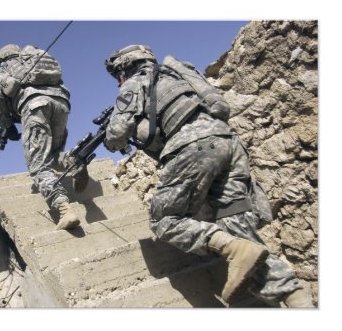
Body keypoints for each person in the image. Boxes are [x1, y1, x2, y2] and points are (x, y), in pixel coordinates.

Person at [103, 44, 314, 307]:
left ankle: (230, 249)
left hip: (196, 147)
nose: (118, 82)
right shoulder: (177, 72)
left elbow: (117, 133)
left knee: (165, 218)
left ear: (124, 67)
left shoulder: (135, 83)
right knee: (236, 224)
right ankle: (296, 299)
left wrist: (111, 141)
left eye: (117, 76)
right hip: (228, 144)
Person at [0, 44, 88, 230]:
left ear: (1, 59)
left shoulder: (3, 71)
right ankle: (73, 161)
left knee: (38, 165)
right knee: (54, 154)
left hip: (35, 107)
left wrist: (8, 127)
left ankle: (64, 209)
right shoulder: (34, 61)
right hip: (62, 103)